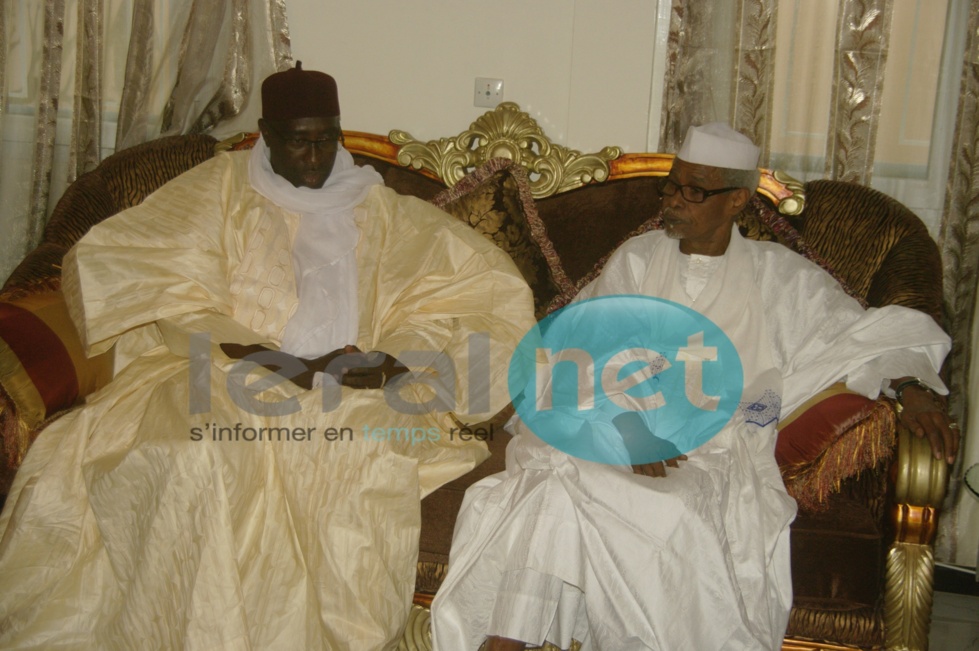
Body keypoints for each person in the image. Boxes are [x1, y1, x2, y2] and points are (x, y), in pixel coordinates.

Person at [0, 63, 535, 650]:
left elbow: (476, 289)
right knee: (195, 456)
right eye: (298, 141)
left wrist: (390, 359)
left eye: (326, 139)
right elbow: (149, 274)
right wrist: (261, 354)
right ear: (264, 133)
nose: (314, 156)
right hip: (219, 367)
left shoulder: (383, 210)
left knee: (361, 456)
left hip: (350, 388)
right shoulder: (217, 189)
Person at [429, 122, 959, 651]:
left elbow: (869, 334)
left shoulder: (782, 279)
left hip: (711, 452)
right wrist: (626, 419)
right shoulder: (636, 262)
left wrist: (913, 388)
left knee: (596, 493)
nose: (674, 202)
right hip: (613, 430)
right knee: (559, 471)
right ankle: (506, 644)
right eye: (672, 185)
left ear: (738, 201)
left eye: (695, 191)